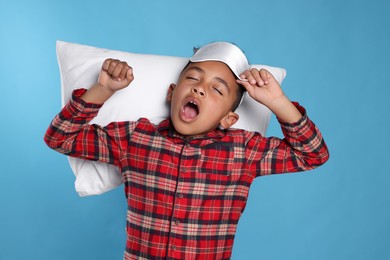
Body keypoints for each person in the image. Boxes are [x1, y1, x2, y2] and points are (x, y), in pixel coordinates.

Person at [44, 42, 329, 260]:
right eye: (193, 79)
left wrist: (278, 101)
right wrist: (103, 89)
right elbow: (60, 138)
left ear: (228, 119)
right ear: (172, 93)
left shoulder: (244, 150)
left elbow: (312, 154)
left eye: (217, 90)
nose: (201, 90)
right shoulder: (135, 138)